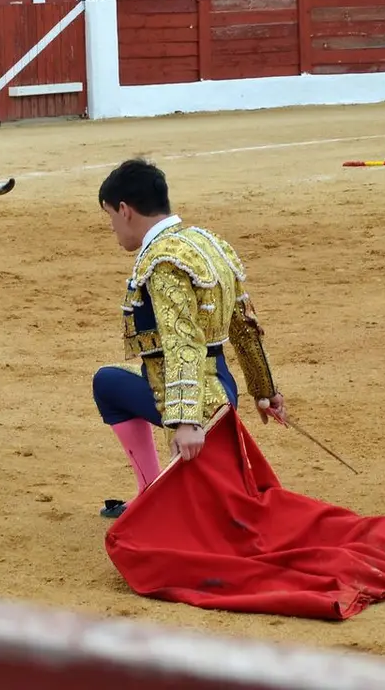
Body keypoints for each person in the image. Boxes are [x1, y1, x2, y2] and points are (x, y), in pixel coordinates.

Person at [92, 158, 286, 518]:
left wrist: (186, 420)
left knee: (106, 383)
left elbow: (183, 341)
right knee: (108, 382)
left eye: (110, 217)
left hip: (196, 402)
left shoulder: (162, 261)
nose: (112, 227)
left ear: (125, 210)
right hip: (222, 390)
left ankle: (153, 497)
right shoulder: (208, 243)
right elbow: (244, 323)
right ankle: (152, 493)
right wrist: (264, 391)